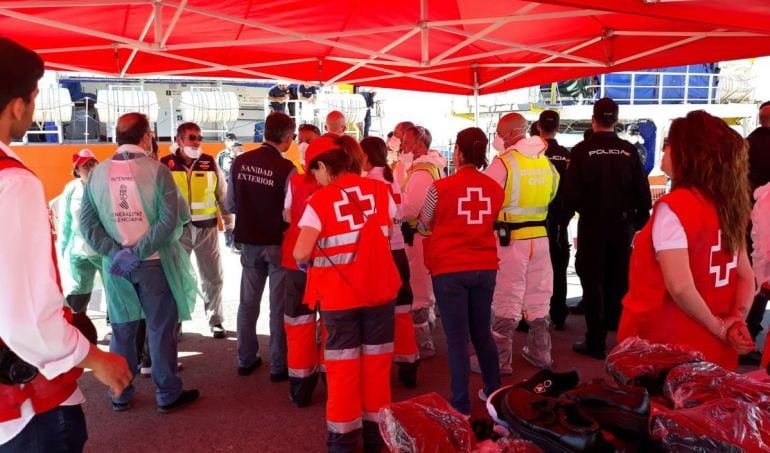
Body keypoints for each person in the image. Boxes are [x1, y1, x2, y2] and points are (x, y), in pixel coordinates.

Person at [0, 37, 130, 451]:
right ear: (19, 104)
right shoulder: (13, 182)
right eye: (35, 99)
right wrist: (96, 358)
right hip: (25, 407)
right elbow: (26, 318)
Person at [80, 112, 199, 413]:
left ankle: (120, 391)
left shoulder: (97, 173)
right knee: (160, 328)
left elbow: (87, 222)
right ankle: (167, 392)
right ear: (146, 136)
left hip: (115, 266)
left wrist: (116, 252)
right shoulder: (158, 171)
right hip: (154, 263)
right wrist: (139, 251)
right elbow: (169, 219)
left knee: (122, 329)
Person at [618, 110, 755, 370]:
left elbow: (680, 287)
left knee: (659, 410)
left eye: (669, 143)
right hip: (715, 347)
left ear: (690, 153)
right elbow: (746, 277)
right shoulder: (728, 205)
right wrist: (735, 320)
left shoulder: (675, 206)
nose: (663, 150)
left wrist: (722, 329)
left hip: (667, 344)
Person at [293, 142, 399, 452]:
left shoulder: (319, 200)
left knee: (342, 370)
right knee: (377, 367)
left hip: (339, 299)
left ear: (325, 168)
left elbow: (301, 251)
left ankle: (343, 441)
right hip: (380, 292)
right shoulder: (380, 191)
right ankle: (377, 436)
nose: (316, 178)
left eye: (317, 172)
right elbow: (388, 234)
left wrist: (309, 260)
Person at [420, 127, 504, 416]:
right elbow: (490, 219)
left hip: (449, 268)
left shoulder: (440, 187)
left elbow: (423, 221)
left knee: (456, 339)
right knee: (482, 333)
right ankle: (494, 393)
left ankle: (461, 405)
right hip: (485, 267)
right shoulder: (495, 188)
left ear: (458, 151)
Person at [563, 97, 652, 359]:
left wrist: (576, 213)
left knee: (592, 283)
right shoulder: (628, 150)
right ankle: (620, 334)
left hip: (592, 225)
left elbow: (569, 195)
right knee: (618, 281)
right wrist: (634, 222)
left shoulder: (581, 151)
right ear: (615, 120)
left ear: (594, 120)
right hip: (621, 226)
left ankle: (596, 341)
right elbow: (643, 195)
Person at [482, 113, 559, 372]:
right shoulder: (544, 162)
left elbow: (485, 197)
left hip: (510, 240)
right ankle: (540, 351)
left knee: (506, 296)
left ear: (507, 133)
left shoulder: (503, 164)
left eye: (499, 131)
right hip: (540, 238)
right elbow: (553, 192)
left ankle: (501, 358)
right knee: (538, 295)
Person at [226, 112, 297, 381]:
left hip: (249, 243)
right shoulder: (287, 169)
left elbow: (231, 203)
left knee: (247, 303)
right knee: (278, 306)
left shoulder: (240, 162)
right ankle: (279, 365)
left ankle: (245, 358)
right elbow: (290, 213)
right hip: (277, 243)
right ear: (288, 137)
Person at [161, 123, 232, 339]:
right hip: (176, 231)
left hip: (206, 228)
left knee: (212, 277)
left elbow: (222, 195)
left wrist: (229, 226)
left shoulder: (210, 162)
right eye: (192, 137)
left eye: (199, 138)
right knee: (177, 278)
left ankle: (216, 321)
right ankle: (177, 321)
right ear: (179, 139)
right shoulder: (164, 165)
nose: (197, 142)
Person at [361, 136, 420, 388]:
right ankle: (409, 363)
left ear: (364, 157)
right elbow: (403, 211)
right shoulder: (392, 180)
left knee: (377, 315)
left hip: (379, 256)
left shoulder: (367, 184)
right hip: (398, 254)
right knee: (402, 311)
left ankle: (377, 373)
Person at [282, 132, 328, 407]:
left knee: (299, 326)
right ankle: (331, 381)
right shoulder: (338, 189)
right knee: (332, 326)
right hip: (328, 266)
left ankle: (300, 389)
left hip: (296, 262)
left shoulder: (296, 181)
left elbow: (288, 216)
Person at [400, 125, 447, 359]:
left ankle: (422, 342)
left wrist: (392, 210)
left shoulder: (421, 171)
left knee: (418, 291)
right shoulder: (433, 166)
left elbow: (411, 208)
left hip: (417, 236)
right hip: (426, 236)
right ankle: (425, 333)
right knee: (424, 290)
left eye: (405, 143)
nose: (402, 147)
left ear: (419, 144)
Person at [538, 110, 571, 331]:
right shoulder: (566, 155)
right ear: (558, 127)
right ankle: (559, 314)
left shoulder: (530, 156)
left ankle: (530, 316)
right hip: (560, 222)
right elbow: (573, 190)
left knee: (533, 271)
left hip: (533, 221)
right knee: (559, 269)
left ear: (538, 127)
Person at [742, 101, 770, 364]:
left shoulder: (744, 145)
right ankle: (749, 334)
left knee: (742, 276)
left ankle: (740, 330)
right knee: (762, 280)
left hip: (741, 220)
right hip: (766, 227)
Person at [58, 149, 102, 314]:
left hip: (103, 249)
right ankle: (77, 325)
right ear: (76, 170)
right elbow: (65, 220)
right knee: (79, 289)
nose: (91, 168)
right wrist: (64, 248)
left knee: (114, 289)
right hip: (79, 250)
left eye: (93, 164)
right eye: (86, 165)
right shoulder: (71, 190)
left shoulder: (104, 187)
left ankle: (115, 328)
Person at [390, 120, 415, 186]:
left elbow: (400, 185)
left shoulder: (408, 158)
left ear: (405, 135)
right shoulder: (405, 155)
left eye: (395, 133)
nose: (392, 137)